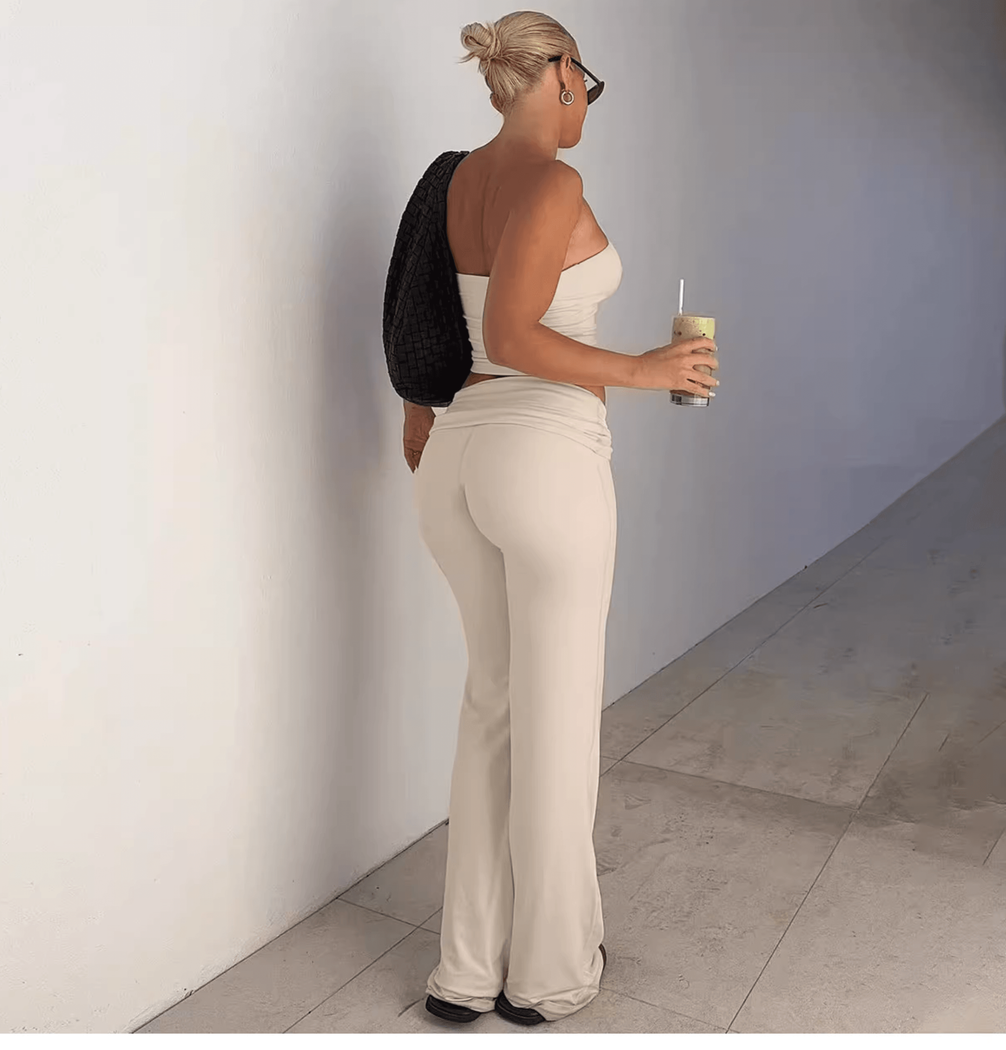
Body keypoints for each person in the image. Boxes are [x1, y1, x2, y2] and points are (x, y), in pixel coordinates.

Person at [410, 10, 719, 1027]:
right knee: (554, 722)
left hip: (456, 460)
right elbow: (511, 332)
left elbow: (434, 316)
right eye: (587, 79)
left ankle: (464, 972)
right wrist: (645, 369)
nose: (590, 98)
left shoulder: (454, 179)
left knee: (492, 707)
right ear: (560, 77)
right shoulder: (552, 182)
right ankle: (547, 975)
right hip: (543, 457)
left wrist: (421, 418)